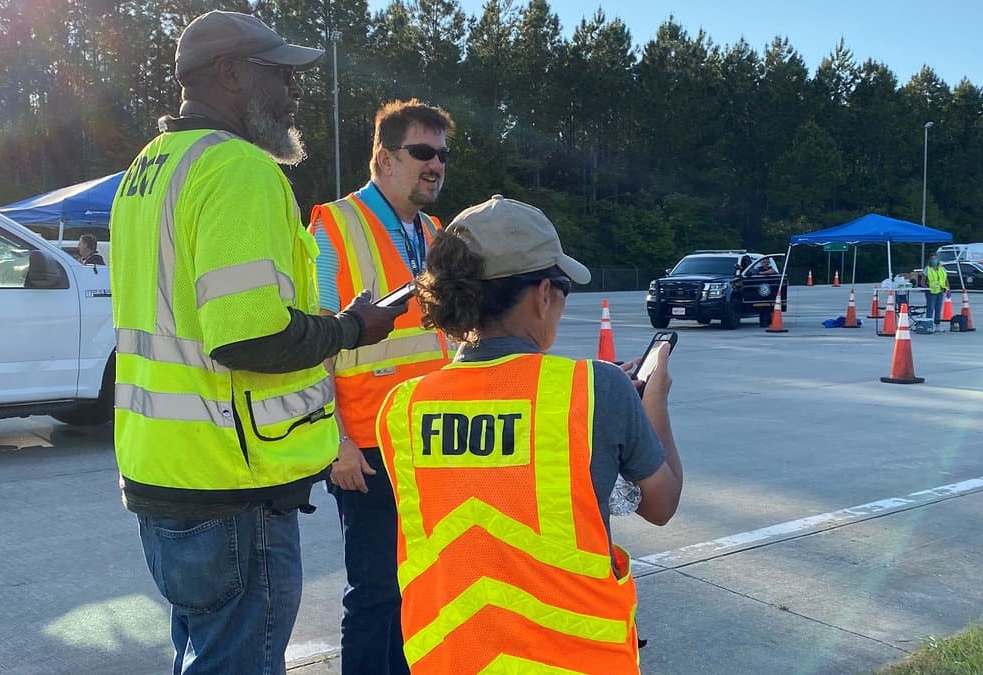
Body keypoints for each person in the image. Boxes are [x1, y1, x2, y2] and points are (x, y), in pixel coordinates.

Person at [109, 10, 405, 674]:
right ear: (229, 75)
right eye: (282, 74)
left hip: (163, 473)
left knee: (202, 653)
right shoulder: (236, 169)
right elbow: (246, 334)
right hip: (230, 488)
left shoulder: (147, 169)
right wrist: (353, 328)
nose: (296, 91)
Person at [375, 195, 683, 673]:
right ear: (543, 294)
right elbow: (661, 503)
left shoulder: (403, 407)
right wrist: (653, 400)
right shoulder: (596, 389)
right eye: (561, 289)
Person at [308, 99, 454, 675]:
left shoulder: (437, 233)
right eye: (422, 152)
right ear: (382, 158)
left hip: (433, 442)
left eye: (442, 154)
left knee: (423, 586)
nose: (435, 164)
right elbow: (314, 343)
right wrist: (333, 439)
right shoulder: (334, 227)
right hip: (365, 448)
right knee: (375, 593)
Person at [924, 255, 950, 328]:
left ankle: (937, 325)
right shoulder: (927, 269)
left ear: (938, 260)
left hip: (940, 291)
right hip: (931, 292)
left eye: (935, 259)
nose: (934, 260)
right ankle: (929, 325)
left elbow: (946, 279)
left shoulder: (942, 268)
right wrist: (926, 288)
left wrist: (948, 289)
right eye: (932, 259)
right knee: (930, 308)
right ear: (930, 260)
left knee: (938, 308)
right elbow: (922, 281)